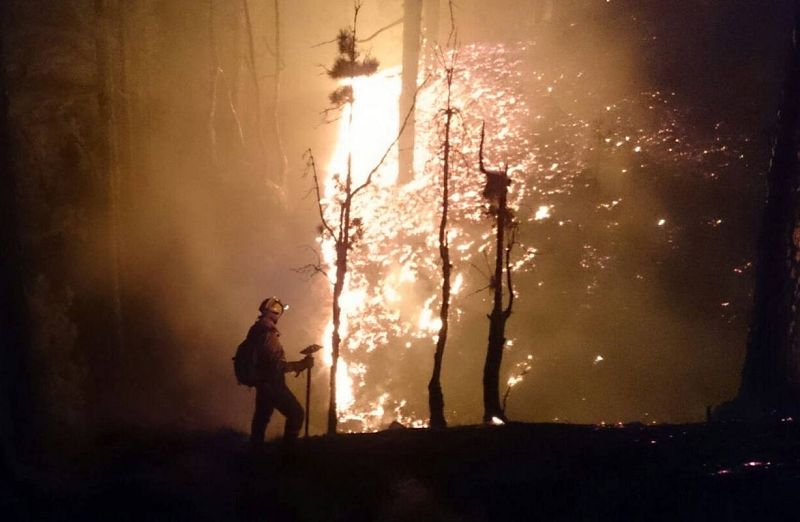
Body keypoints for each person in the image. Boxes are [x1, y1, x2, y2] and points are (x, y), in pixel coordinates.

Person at [247, 296, 314, 447]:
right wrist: (300, 365)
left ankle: (254, 452)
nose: (279, 314)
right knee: (296, 414)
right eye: (278, 310)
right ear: (273, 311)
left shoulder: (257, 329)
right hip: (272, 384)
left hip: (263, 383)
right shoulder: (267, 334)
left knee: (261, 419)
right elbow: (276, 367)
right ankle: (288, 453)